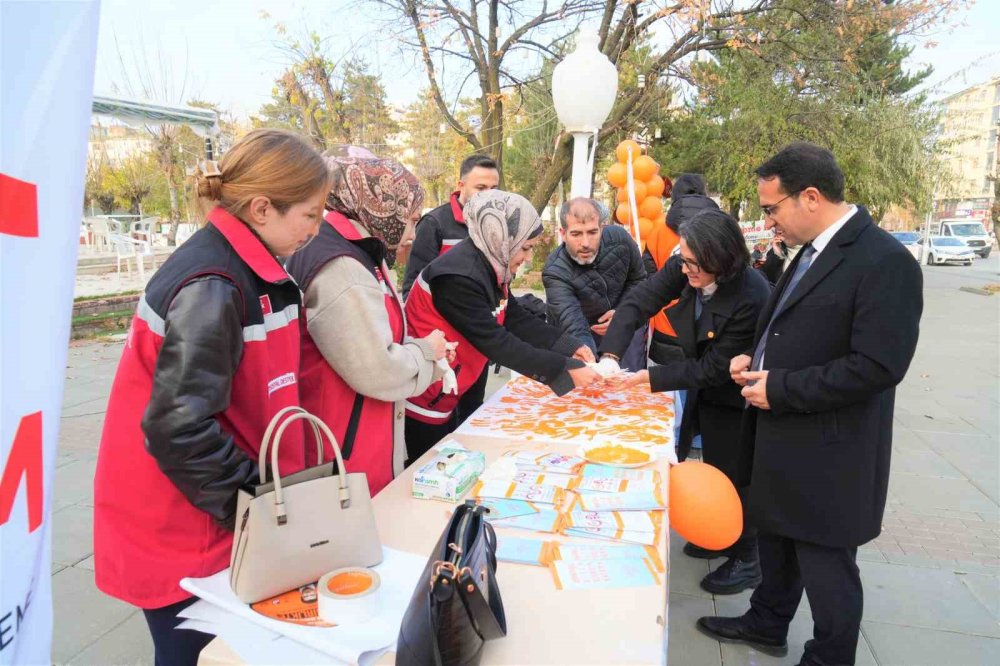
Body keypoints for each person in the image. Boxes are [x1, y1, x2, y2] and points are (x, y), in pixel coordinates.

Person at [93, 129, 331, 666]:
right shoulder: (214, 283)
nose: (317, 231)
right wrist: (254, 514)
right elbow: (179, 427)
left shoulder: (248, 266)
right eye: (311, 216)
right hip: (187, 524)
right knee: (195, 655)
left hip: (213, 514)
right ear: (263, 208)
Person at [697, 142, 923, 666]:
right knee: (776, 543)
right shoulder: (806, 251)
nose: (767, 220)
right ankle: (767, 622)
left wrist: (779, 387)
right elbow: (798, 328)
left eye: (772, 208)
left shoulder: (884, 261)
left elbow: (877, 367)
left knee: (826, 567)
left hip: (832, 451)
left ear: (812, 198)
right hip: (784, 440)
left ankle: (830, 656)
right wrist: (757, 356)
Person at [599, 209, 771, 594]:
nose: (686, 270)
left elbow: (713, 367)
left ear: (721, 261)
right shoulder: (687, 263)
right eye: (684, 260)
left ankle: (748, 558)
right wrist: (610, 356)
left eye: (695, 265)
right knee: (713, 460)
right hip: (706, 383)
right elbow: (637, 302)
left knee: (734, 469)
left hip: (738, 392)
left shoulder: (751, 295)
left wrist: (649, 379)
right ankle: (720, 533)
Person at [285, 155, 454, 496]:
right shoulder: (342, 266)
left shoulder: (353, 247)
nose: (411, 234)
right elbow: (376, 367)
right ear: (382, 210)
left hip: (351, 435)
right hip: (346, 448)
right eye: (409, 220)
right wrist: (427, 353)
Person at [404, 190, 601, 462]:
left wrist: (570, 345)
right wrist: (563, 368)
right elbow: (498, 343)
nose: (528, 257)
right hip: (428, 393)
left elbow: (513, 316)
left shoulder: (491, 260)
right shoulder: (457, 277)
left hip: (456, 382)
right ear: (502, 237)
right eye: (526, 248)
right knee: (431, 468)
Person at [401, 154, 501, 425]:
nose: (488, 196)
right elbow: (412, 287)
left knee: (472, 418)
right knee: (439, 428)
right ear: (461, 185)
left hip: (479, 346)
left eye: (494, 189)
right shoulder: (435, 224)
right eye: (481, 188)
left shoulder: (496, 226)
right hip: (444, 352)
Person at [543, 197, 647, 370]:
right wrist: (593, 363)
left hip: (623, 326)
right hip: (577, 336)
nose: (585, 243)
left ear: (602, 228)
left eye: (592, 232)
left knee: (627, 385)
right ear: (563, 233)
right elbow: (573, 323)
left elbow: (638, 280)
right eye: (576, 234)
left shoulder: (621, 240)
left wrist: (623, 313)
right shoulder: (554, 271)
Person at [643, 173, 721, 364]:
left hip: (666, 328)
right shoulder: (722, 228)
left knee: (665, 392)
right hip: (711, 328)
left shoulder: (657, 232)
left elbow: (648, 278)